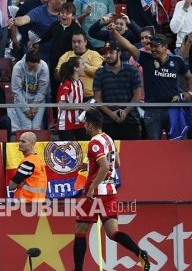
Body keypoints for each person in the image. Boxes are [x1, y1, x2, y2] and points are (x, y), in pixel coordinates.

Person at [73, 109, 150, 271]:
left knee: (80, 230)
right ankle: (139, 252)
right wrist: (90, 165)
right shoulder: (108, 138)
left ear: (91, 125)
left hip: (94, 194)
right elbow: (117, 164)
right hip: (110, 192)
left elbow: (106, 166)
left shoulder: (94, 142)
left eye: (86, 124)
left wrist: (92, 187)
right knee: (113, 232)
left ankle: (78, 269)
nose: (84, 127)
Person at [108, 25, 192, 139]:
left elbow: (189, 77)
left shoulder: (177, 61)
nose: (153, 49)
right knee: (154, 145)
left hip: (173, 108)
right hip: (153, 109)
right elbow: (129, 46)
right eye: (151, 46)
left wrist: (190, 93)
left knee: (177, 144)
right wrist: (114, 32)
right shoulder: (146, 58)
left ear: (165, 47)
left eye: (156, 46)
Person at [93, 41, 142, 140]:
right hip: (107, 121)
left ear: (119, 53)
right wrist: (111, 114)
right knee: (109, 154)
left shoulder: (132, 70)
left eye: (111, 52)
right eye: (106, 53)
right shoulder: (99, 73)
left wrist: (125, 112)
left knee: (133, 153)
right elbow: (97, 99)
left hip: (130, 120)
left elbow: (137, 95)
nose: (108, 55)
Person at [55, 31, 104, 101]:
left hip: (90, 96)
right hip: (71, 95)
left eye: (79, 41)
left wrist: (83, 66)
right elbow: (58, 74)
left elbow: (98, 73)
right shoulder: (67, 55)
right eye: (74, 42)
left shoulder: (94, 54)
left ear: (85, 42)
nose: (76, 44)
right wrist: (77, 65)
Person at [11, 49, 50, 130]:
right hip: (21, 99)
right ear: (25, 62)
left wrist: (34, 107)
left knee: (36, 127)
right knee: (27, 127)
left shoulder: (44, 67)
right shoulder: (18, 67)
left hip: (39, 100)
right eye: (30, 67)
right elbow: (16, 90)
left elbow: (42, 90)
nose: (32, 70)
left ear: (39, 63)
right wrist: (25, 109)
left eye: (34, 67)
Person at [56, 56, 89, 141]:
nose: (85, 67)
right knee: (68, 152)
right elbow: (62, 105)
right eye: (83, 64)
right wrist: (81, 106)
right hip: (66, 124)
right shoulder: (66, 83)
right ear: (76, 68)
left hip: (79, 122)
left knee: (83, 149)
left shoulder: (80, 83)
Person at [8, 132, 47, 202]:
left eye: (23, 142)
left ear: (32, 144)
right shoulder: (37, 160)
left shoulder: (28, 163)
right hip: (37, 201)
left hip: (26, 202)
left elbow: (11, 186)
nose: (19, 144)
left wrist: (20, 185)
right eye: (19, 141)